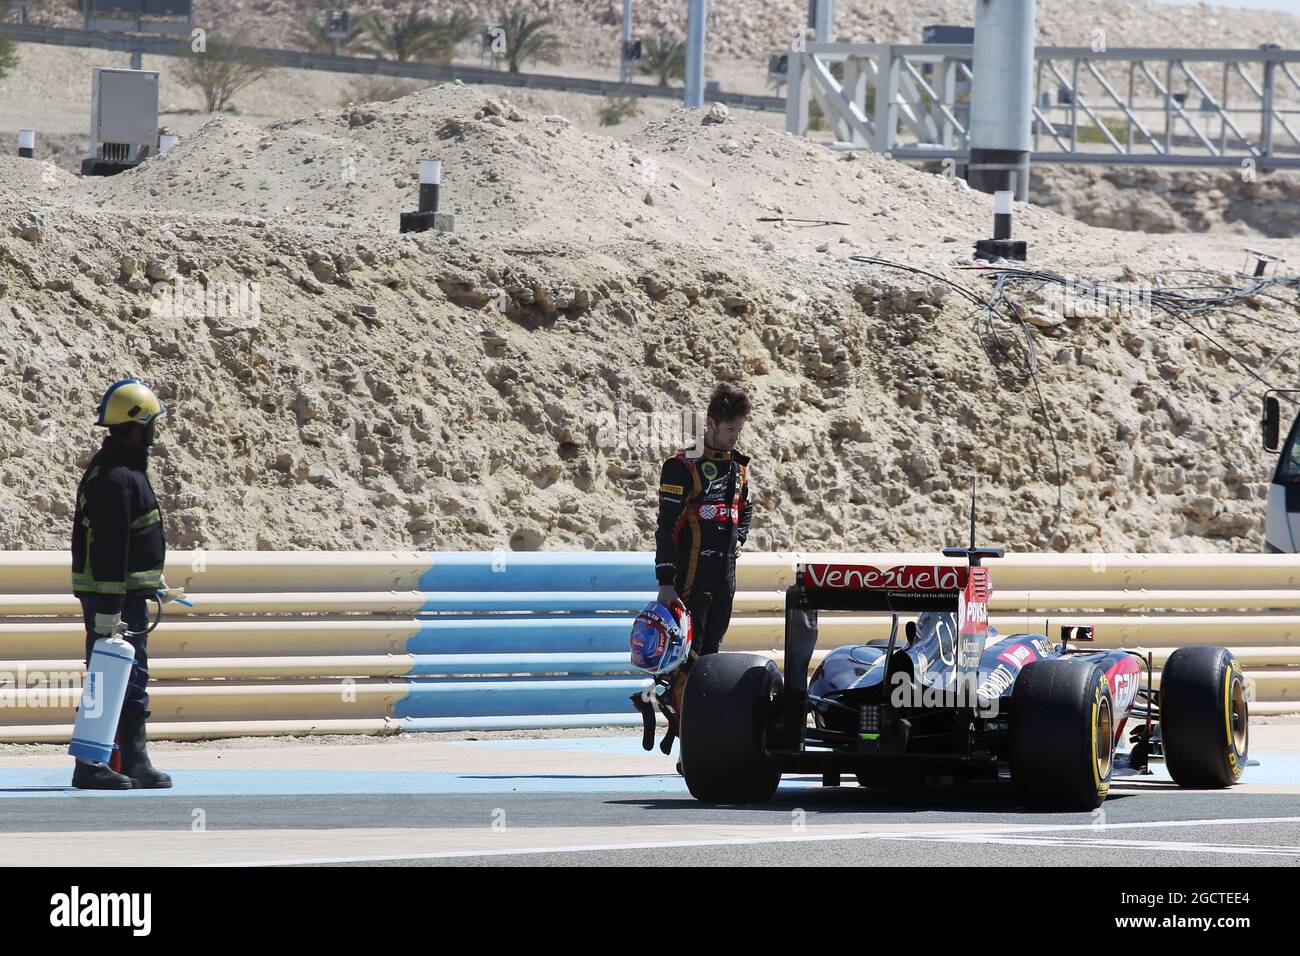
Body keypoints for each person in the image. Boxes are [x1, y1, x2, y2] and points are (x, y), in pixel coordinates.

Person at [69, 379, 172, 790]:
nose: (154, 430)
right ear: (137, 425)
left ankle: (132, 758)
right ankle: (90, 764)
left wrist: (152, 579)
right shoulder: (116, 478)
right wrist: (110, 610)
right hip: (114, 599)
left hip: (126, 595)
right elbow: (110, 547)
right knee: (108, 678)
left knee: (129, 677)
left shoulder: (122, 471)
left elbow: (131, 539)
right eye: (151, 423)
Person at [653, 382, 753, 715]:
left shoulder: (739, 468)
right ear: (709, 424)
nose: (735, 436)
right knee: (687, 658)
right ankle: (686, 739)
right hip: (690, 582)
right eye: (729, 429)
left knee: (711, 657)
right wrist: (665, 584)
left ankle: (699, 734)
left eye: (739, 429)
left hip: (725, 580)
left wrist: (740, 537)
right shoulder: (681, 466)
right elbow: (665, 529)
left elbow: (745, 508)